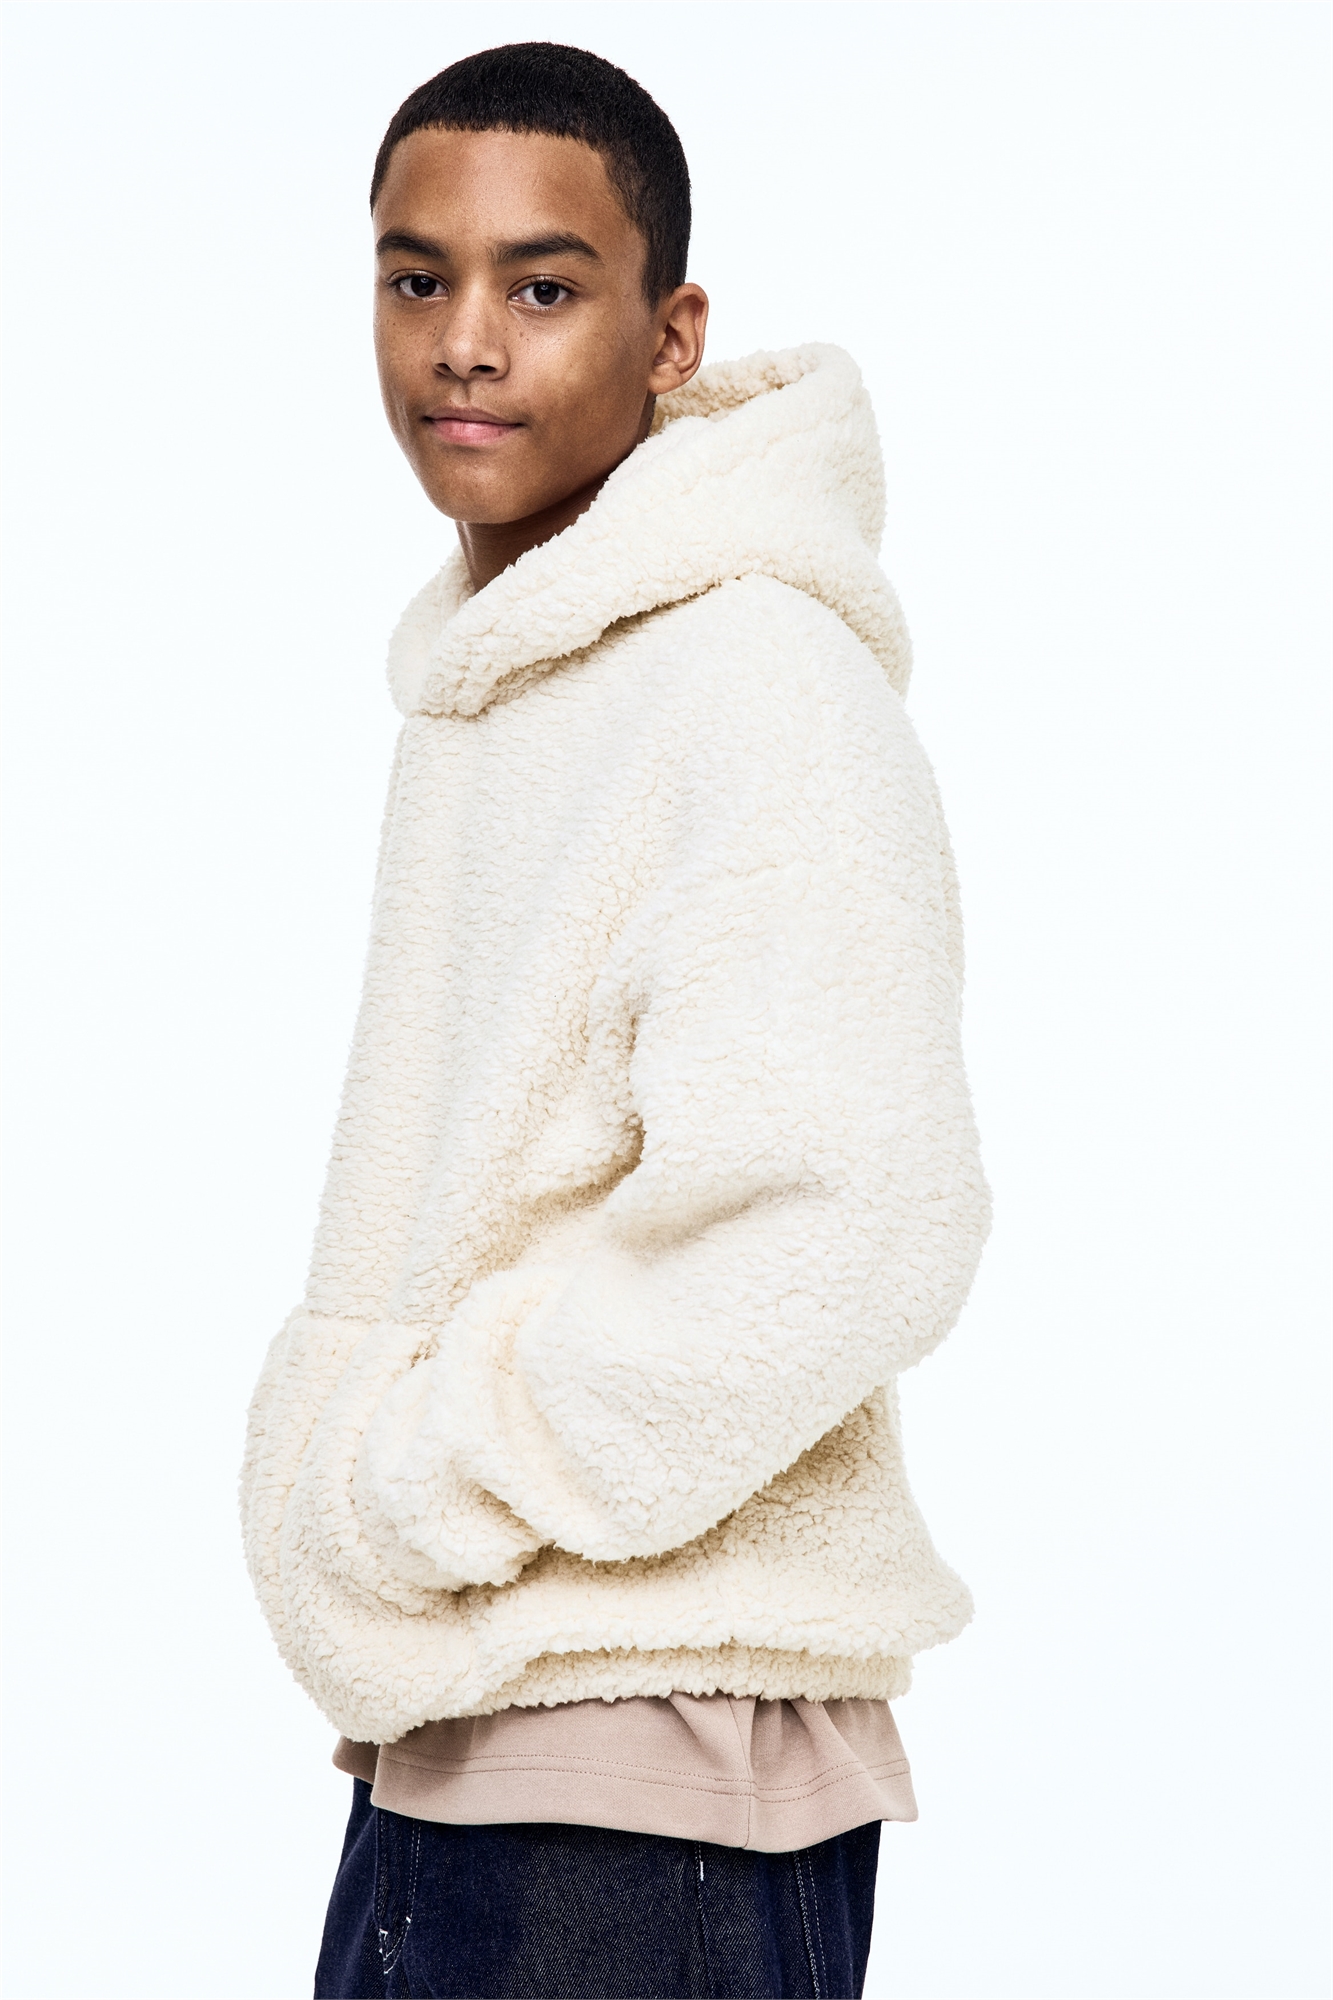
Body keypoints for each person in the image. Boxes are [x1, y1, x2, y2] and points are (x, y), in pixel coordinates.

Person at [241, 40, 990, 2000]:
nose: (465, 341)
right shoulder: (520, 676)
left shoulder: (752, 682)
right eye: (418, 278)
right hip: (471, 1741)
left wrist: (410, 1474)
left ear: (671, 337)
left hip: (640, 1794)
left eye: (543, 284)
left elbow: (854, 1217)